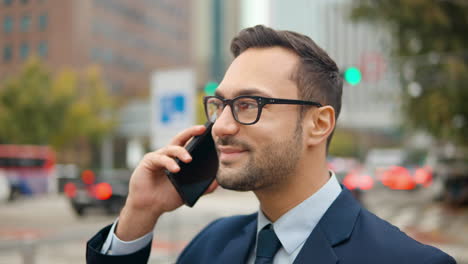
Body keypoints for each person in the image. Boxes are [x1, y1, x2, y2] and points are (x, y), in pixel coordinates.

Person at [86, 25, 456, 264]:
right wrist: (140, 213)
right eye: (220, 105)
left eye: (249, 105)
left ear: (319, 124)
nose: (222, 126)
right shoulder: (211, 246)